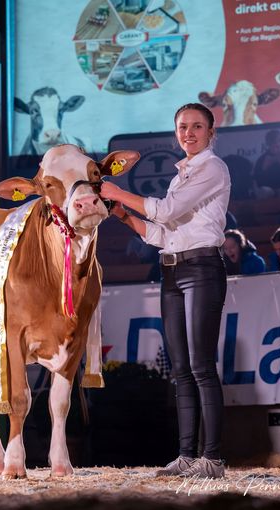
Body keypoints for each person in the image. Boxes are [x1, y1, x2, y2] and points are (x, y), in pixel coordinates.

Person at [99, 103, 230, 479]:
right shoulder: (182, 175)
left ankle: (213, 459)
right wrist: (123, 216)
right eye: (182, 127)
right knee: (182, 369)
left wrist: (119, 193)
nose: (188, 133)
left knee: (202, 366)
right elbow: (160, 234)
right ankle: (187, 455)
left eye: (196, 127)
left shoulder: (212, 168)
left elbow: (167, 211)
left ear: (210, 131)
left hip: (203, 268)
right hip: (172, 270)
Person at [252, 130, 280, 199]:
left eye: (276, 146)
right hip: (271, 189)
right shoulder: (262, 159)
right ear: (267, 144)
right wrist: (264, 169)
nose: (274, 148)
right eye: (271, 145)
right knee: (264, 191)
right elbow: (258, 182)